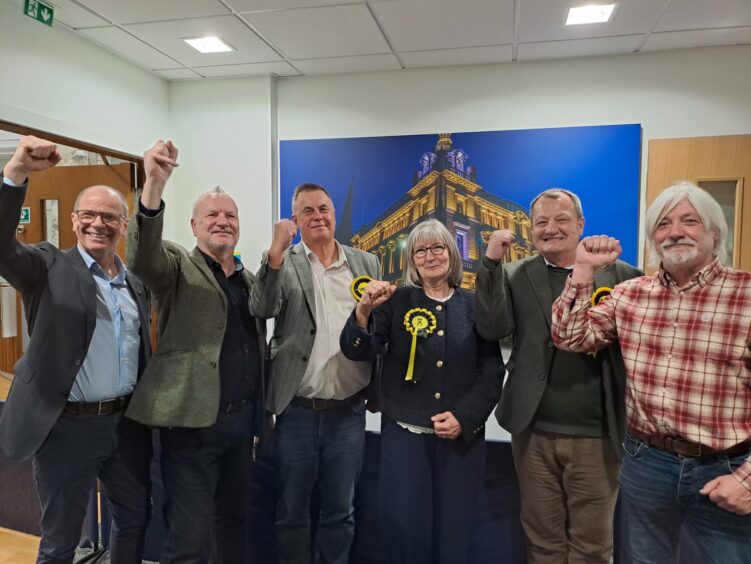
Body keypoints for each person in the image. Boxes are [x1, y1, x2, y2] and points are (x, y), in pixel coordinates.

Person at [551, 181, 751, 563]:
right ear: (652, 238)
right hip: (647, 463)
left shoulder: (747, 294)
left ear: (714, 232)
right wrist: (582, 269)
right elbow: (569, 337)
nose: (674, 231)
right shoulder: (629, 294)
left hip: (727, 467)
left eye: (689, 221)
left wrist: (749, 481)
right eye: (663, 224)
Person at [0, 136, 153, 563]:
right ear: (73, 220)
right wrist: (16, 172)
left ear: (124, 225)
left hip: (124, 425)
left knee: (135, 517)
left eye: (109, 216)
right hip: (66, 428)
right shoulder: (47, 267)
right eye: (88, 215)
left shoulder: (134, 285)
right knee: (60, 542)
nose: (98, 224)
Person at [475, 188, 641, 563]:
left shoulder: (624, 276)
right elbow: (490, 327)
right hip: (532, 432)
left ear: (581, 225)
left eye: (562, 219)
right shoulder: (515, 275)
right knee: (542, 540)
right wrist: (489, 266)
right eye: (541, 222)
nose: (551, 228)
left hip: (597, 436)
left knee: (593, 546)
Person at [125, 139, 266, 563]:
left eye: (230, 216)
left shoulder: (249, 279)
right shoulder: (174, 266)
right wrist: (153, 187)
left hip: (241, 425)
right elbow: (142, 256)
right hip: (190, 427)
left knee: (233, 523)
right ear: (193, 226)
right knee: (189, 537)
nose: (222, 221)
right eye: (212, 215)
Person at [340, 219, 503, 564]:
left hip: (461, 443)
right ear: (413, 260)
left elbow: (492, 370)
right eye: (421, 250)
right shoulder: (394, 301)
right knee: (405, 534)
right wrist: (363, 311)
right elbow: (359, 350)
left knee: (455, 536)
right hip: (404, 439)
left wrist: (465, 417)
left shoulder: (474, 305)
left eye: (438, 247)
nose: (430, 256)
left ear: (452, 253)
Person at [249, 182, 380, 564]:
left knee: (341, 512)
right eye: (308, 211)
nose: (318, 216)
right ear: (295, 220)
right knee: (292, 513)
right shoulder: (281, 261)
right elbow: (262, 307)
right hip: (297, 412)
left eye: (323, 208)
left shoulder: (365, 263)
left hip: (348, 414)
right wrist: (274, 252)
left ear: (334, 214)